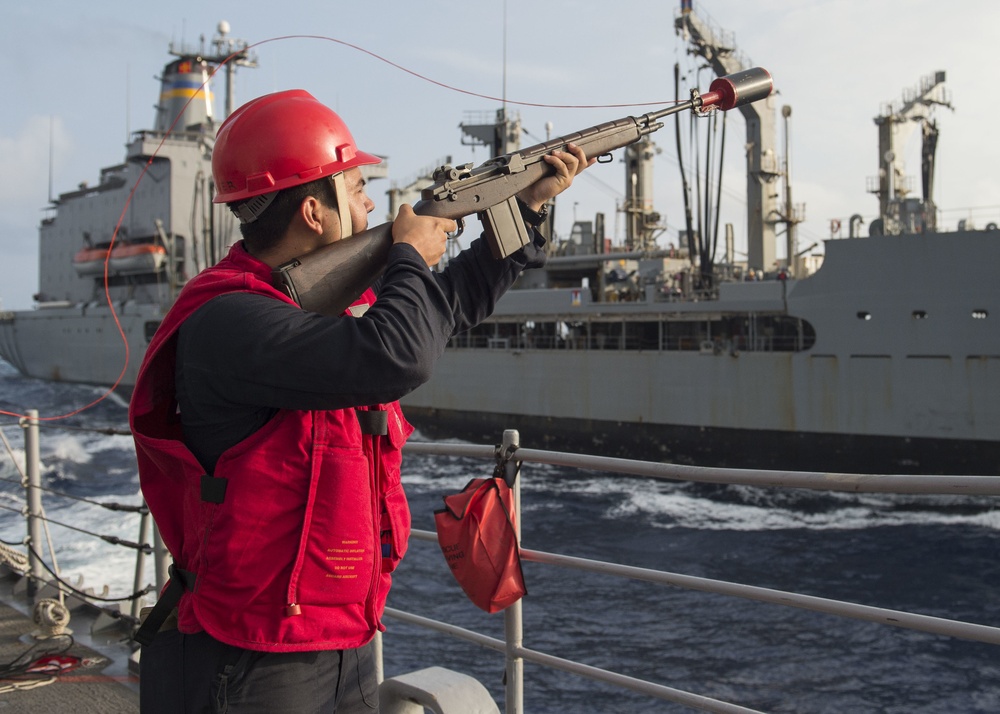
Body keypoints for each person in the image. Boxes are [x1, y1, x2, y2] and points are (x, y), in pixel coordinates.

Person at [128, 88, 591, 713]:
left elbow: (440, 312)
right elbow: (398, 356)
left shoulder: (302, 311)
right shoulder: (231, 321)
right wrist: (407, 253)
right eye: (357, 189)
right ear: (315, 213)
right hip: (253, 658)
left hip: (337, 638)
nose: (374, 203)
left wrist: (526, 210)